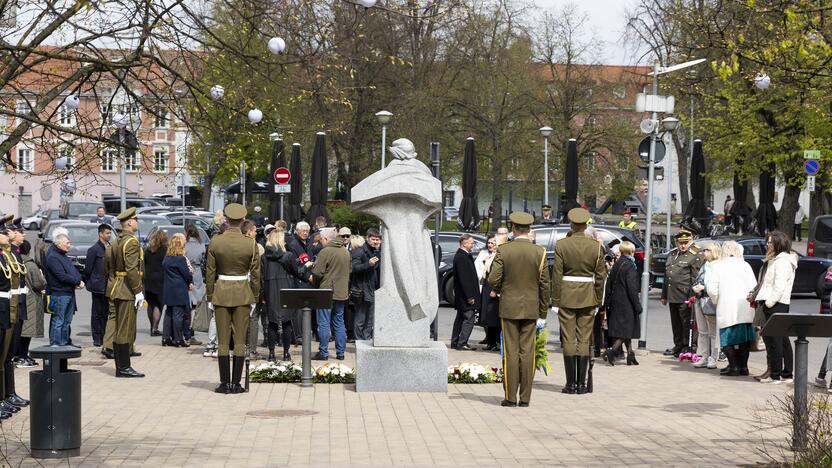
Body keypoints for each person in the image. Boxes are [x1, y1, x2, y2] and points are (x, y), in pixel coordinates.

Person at [488, 211, 550, 407]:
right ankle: (525, 398)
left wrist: (501, 291)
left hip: (509, 306)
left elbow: (493, 279)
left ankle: (510, 397)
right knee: (528, 352)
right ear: (529, 229)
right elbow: (545, 285)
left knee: (511, 352)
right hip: (531, 307)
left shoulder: (504, 250)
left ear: (513, 229)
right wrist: (543, 311)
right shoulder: (539, 252)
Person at [206, 203, 260, 394]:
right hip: (243, 294)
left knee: (222, 341)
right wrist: (254, 298)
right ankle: (236, 383)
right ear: (242, 221)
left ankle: (224, 383)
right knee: (239, 341)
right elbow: (256, 275)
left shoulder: (215, 241)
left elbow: (210, 273)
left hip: (221, 292)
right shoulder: (251, 244)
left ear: (227, 220)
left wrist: (210, 297)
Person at [553, 208, 607, 395]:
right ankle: (582, 385)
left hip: (566, 295)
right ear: (586, 225)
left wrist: (556, 299)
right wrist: (598, 300)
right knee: (584, 339)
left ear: (571, 224)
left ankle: (570, 384)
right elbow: (601, 276)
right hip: (588, 295)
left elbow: (557, 274)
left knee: (568, 338)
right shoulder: (596, 247)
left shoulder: (562, 245)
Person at [706, 240, 757, 377]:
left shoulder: (719, 266)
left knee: (727, 338)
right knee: (744, 340)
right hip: (745, 306)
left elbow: (712, 289)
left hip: (727, 306)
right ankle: (743, 367)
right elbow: (754, 286)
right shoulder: (746, 265)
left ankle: (733, 366)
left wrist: (717, 300)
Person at [755, 230, 797, 383]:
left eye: (771, 242)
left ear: (779, 244)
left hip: (775, 303)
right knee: (782, 339)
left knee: (775, 340)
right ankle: (786, 374)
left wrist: (769, 303)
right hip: (776, 303)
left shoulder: (782, 261)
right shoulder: (779, 260)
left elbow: (778, 287)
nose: (768, 244)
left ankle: (776, 375)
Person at [108, 208, 146, 378]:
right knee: (125, 329)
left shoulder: (117, 240)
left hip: (117, 286)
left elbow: (107, 264)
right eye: (135, 219)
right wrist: (138, 291)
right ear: (130, 222)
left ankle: (121, 366)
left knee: (119, 328)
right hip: (126, 290)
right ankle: (123, 367)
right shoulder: (131, 242)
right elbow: (131, 269)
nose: (137, 222)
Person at [260, 227, 308, 361]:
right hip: (286, 288)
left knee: (272, 322)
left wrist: (263, 295)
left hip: (271, 290)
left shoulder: (264, 257)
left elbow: (262, 277)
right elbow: (297, 272)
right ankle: (286, 353)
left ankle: (271, 353)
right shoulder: (288, 256)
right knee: (287, 322)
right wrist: (305, 267)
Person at [661, 227, 704, 357]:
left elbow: (695, 278)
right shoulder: (673, 254)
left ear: (691, 241)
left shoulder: (695, 254)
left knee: (687, 323)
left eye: (686, 242)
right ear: (676, 242)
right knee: (676, 323)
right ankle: (678, 345)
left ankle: (688, 346)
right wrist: (664, 295)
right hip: (672, 294)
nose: (683, 245)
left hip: (685, 295)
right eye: (681, 243)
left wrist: (692, 297)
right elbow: (667, 276)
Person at [0, 225, 28, 418]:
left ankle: (7, 394)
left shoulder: (9, 255)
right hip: (4, 308)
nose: (8, 234)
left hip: (11, 308)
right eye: (4, 232)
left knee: (7, 354)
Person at [310, 229, 351, 360]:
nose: (321, 242)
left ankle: (323, 352)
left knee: (323, 323)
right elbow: (350, 270)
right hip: (341, 291)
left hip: (326, 291)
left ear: (327, 239)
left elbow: (317, 273)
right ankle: (340, 353)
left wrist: (314, 282)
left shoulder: (326, 251)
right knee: (339, 322)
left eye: (321, 239)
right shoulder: (346, 252)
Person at [602, 241, 642, 366]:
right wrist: (637, 305)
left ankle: (630, 354)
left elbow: (609, 283)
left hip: (616, 301)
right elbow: (632, 288)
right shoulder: (629, 265)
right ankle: (612, 351)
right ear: (631, 251)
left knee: (626, 328)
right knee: (626, 330)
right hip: (626, 303)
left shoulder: (618, 262)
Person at [44, 229, 83, 346]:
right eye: (67, 243)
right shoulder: (53, 257)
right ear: (59, 243)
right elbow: (61, 276)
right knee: (59, 321)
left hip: (68, 292)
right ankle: (55, 344)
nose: (69, 245)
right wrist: (77, 281)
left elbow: (73, 271)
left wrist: (79, 280)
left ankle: (65, 343)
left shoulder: (62, 255)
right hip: (59, 293)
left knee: (67, 321)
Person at [691, 242, 721, 369]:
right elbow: (698, 278)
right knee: (702, 331)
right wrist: (695, 287)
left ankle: (713, 358)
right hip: (700, 299)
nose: (704, 252)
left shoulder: (719, 266)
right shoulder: (705, 265)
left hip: (710, 301)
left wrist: (705, 287)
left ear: (714, 251)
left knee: (713, 332)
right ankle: (703, 356)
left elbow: (717, 285)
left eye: (707, 250)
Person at [14, 240, 43, 368]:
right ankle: (22, 356)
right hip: (31, 299)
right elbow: (38, 283)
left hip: (20, 298)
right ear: (29, 250)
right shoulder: (31, 265)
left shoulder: (16, 261)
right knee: (27, 331)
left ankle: (21, 355)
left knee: (21, 330)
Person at [162, 233, 194, 347]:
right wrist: (190, 278)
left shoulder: (167, 258)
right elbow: (187, 275)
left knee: (168, 313)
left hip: (168, 289)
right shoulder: (180, 259)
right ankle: (178, 339)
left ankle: (166, 338)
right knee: (178, 315)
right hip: (179, 290)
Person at [83, 224, 111, 347]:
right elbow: (88, 269)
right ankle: (97, 337)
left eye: (110, 233)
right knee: (97, 312)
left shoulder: (110, 247)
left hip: (108, 285)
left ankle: (105, 335)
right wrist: (88, 281)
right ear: (100, 234)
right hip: (97, 285)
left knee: (106, 312)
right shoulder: (94, 250)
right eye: (107, 233)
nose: (109, 235)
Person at [351, 228, 380, 341]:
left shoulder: (376, 251)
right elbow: (354, 268)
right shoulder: (360, 252)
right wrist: (368, 264)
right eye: (373, 239)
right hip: (362, 290)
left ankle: (367, 340)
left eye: (377, 240)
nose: (375, 242)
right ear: (367, 239)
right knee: (361, 318)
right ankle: (359, 341)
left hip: (372, 289)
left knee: (370, 319)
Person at [451, 234, 480, 351]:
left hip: (463, 295)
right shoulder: (462, 257)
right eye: (471, 243)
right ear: (464, 243)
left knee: (460, 318)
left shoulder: (463, 255)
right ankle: (462, 342)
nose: (473, 245)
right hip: (465, 296)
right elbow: (464, 279)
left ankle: (455, 342)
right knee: (469, 318)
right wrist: (469, 296)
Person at [479, 234, 504, 351]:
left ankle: (496, 343)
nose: (490, 245)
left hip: (493, 288)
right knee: (487, 316)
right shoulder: (489, 256)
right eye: (489, 243)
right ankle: (490, 342)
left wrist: (495, 289)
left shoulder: (498, 255)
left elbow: (498, 275)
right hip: (486, 287)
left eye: (493, 243)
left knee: (494, 316)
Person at [143, 229, 167, 337]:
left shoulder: (147, 250)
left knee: (151, 304)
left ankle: (151, 326)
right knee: (159, 304)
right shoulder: (165, 250)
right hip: (160, 279)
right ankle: (155, 328)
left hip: (148, 279)